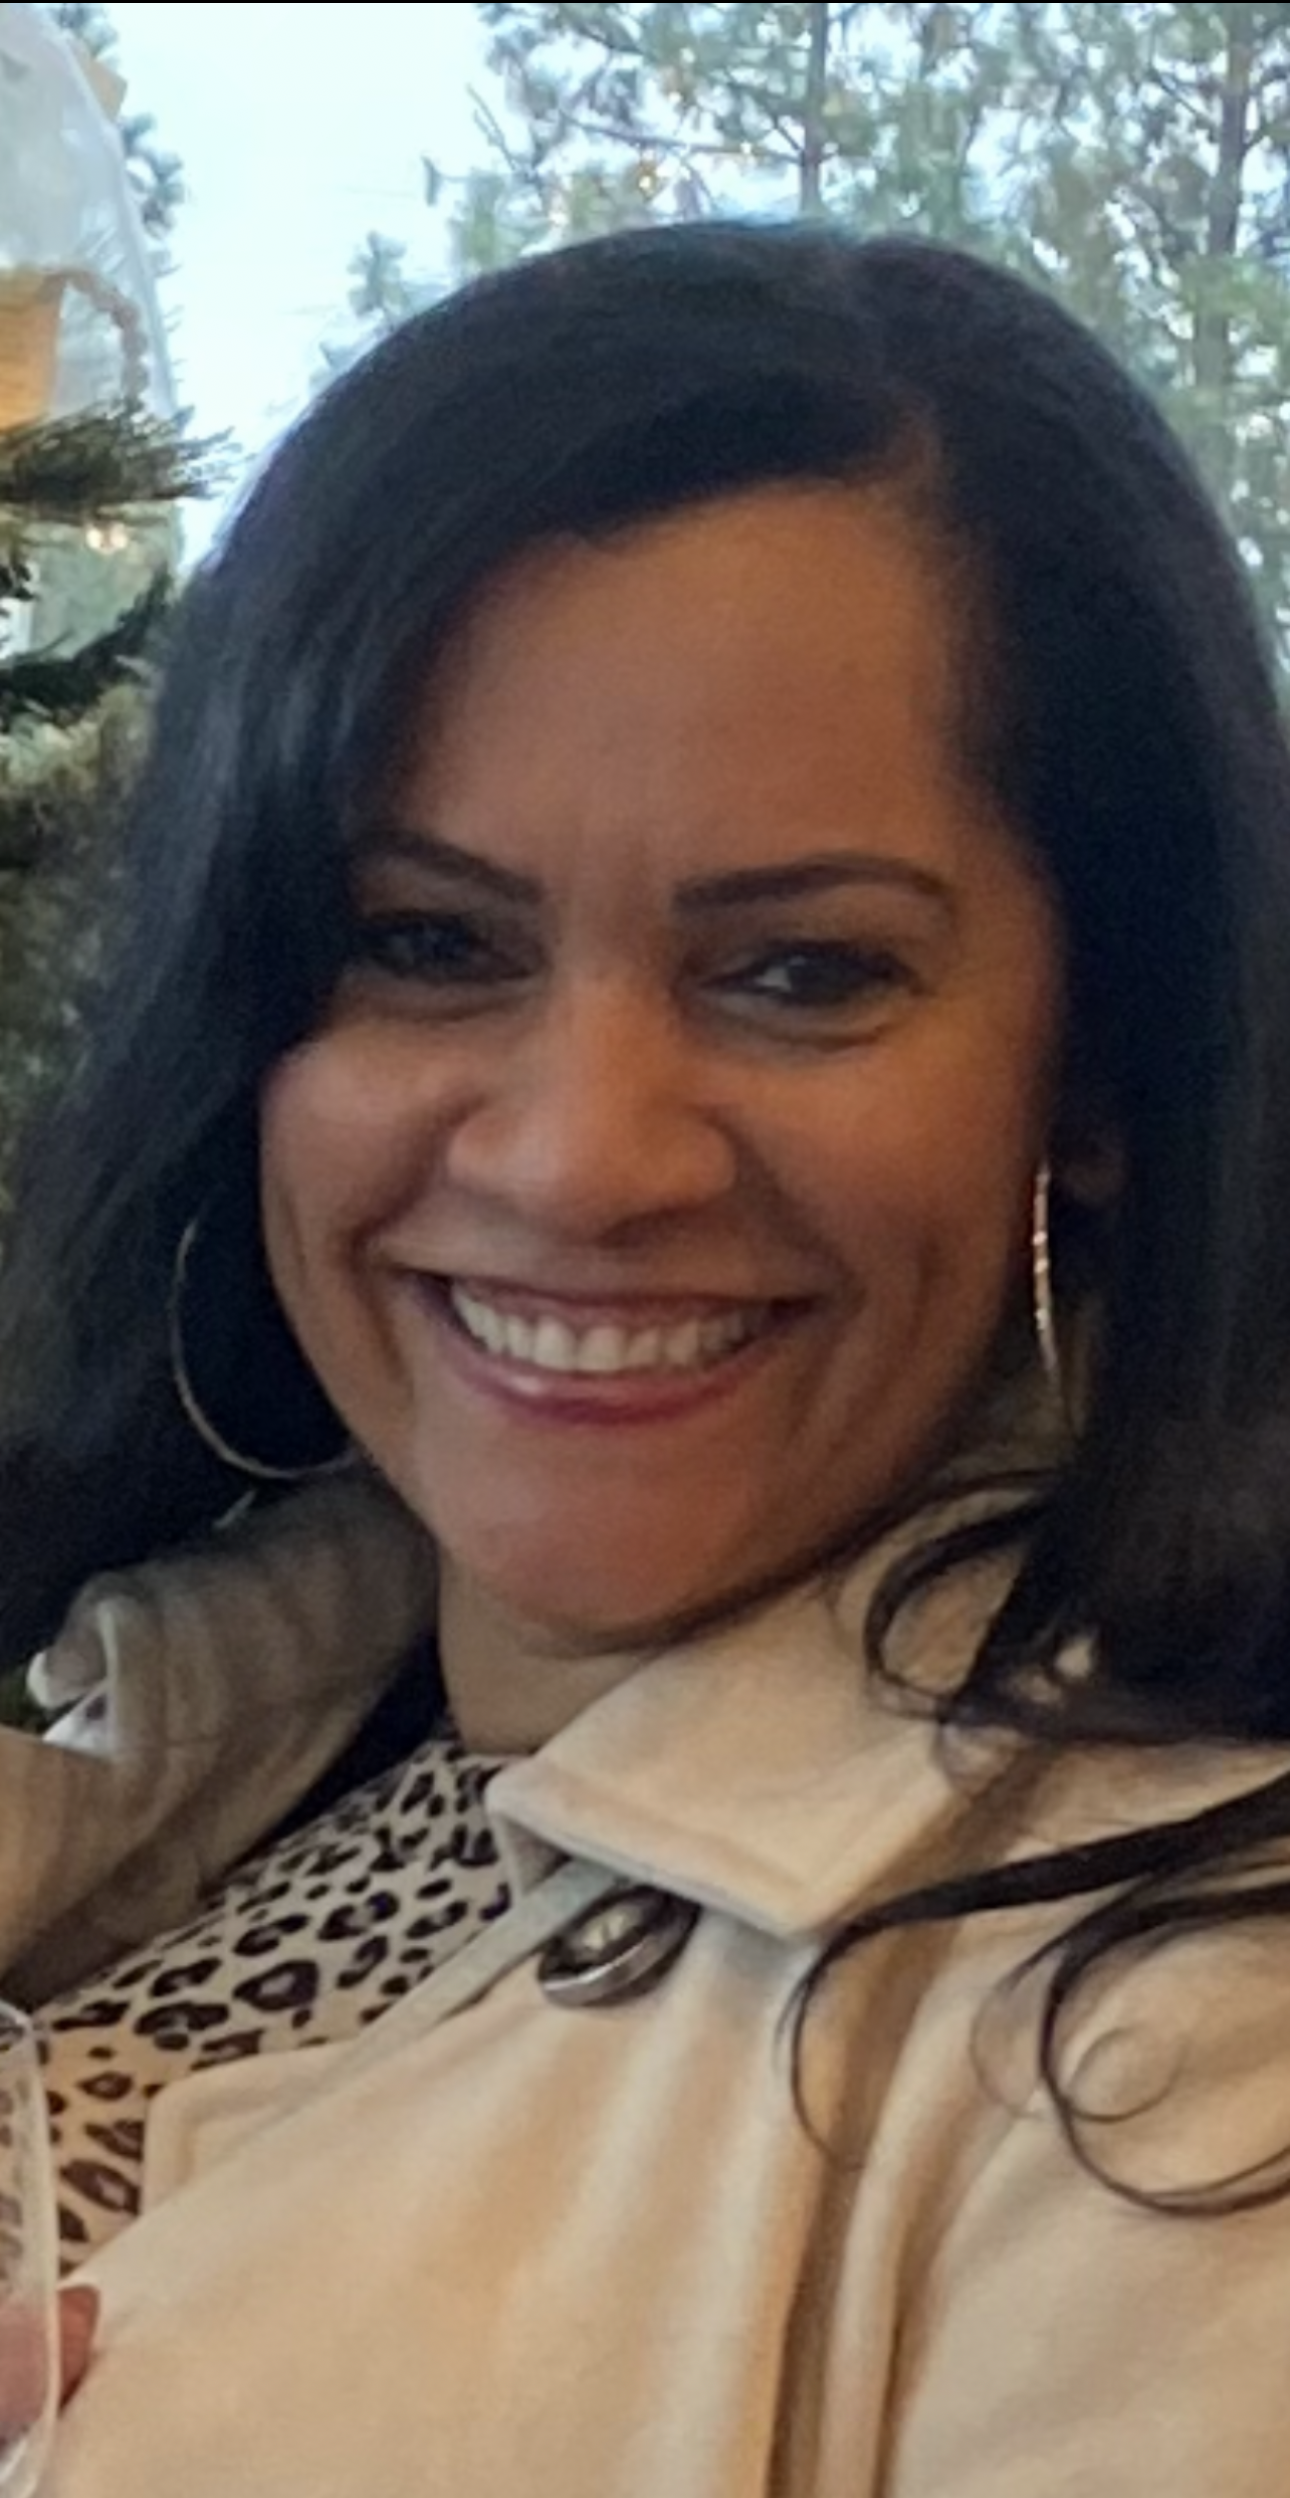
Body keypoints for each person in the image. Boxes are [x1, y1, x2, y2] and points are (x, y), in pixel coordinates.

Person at [1, 218, 1290, 2493]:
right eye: (427, 941)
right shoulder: (208, 1711)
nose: (580, 1158)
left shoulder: (1185, 2050)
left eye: (802, 971)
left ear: (1096, 1073)